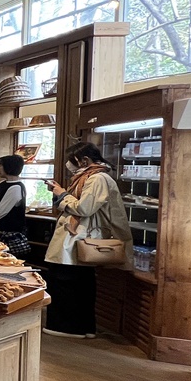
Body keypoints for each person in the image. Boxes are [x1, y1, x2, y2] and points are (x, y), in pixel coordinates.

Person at [43, 141, 133, 338]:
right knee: (80, 283)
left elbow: (84, 208)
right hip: (79, 238)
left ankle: (69, 327)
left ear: (84, 160)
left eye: (71, 160)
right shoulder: (91, 177)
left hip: (79, 238)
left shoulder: (97, 178)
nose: (69, 165)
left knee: (67, 283)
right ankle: (84, 327)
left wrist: (62, 195)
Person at [0, 155, 30, 256]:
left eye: (0, 166)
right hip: (1, 231)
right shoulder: (1, 184)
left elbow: (0, 212)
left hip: (8, 232)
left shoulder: (16, 187)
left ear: (9, 167)